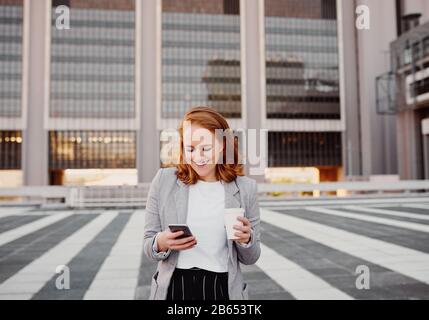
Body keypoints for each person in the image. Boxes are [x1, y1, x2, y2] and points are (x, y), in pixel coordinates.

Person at [143, 106, 261, 300]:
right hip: (173, 288)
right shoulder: (164, 180)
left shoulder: (246, 188)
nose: (198, 156)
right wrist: (162, 242)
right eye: (190, 149)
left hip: (222, 289)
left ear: (223, 145)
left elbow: (251, 258)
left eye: (206, 148)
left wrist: (246, 239)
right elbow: (149, 246)